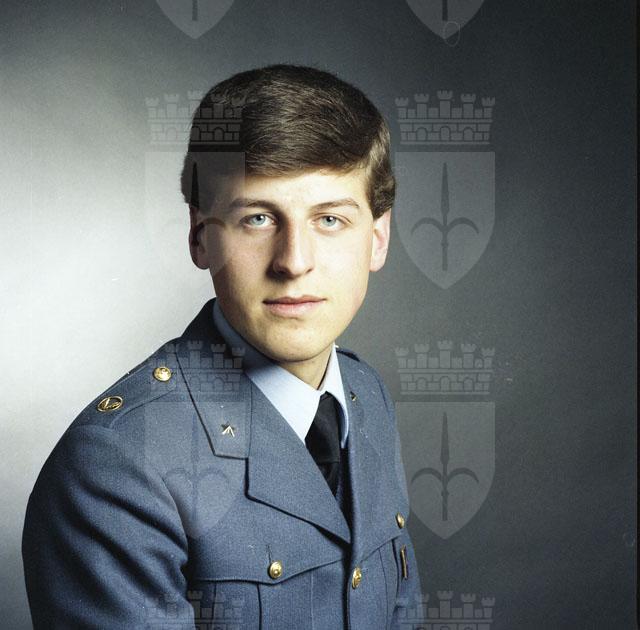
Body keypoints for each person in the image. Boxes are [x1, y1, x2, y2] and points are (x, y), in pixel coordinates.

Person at [22, 64, 422, 629]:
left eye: (330, 219)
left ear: (377, 238)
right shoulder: (117, 466)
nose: (294, 261)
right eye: (257, 218)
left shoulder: (366, 396)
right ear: (200, 236)